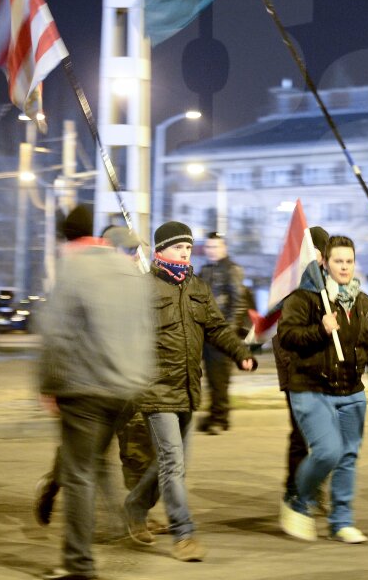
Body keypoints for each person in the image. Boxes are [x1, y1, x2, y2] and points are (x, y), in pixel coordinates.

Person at [124, 221, 257, 563]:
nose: (185, 252)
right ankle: (184, 534)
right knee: (172, 463)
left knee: (175, 465)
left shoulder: (196, 287)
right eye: (177, 247)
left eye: (187, 247)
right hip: (156, 390)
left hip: (187, 388)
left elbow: (217, 327)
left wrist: (241, 354)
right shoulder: (144, 288)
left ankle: (136, 506)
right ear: (161, 252)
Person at [37, 205, 155, 580]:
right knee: (92, 466)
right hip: (125, 389)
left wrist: (49, 385)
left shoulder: (75, 267)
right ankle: (109, 532)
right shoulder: (128, 269)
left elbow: (56, 333)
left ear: (69, 238)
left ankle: (79, 564)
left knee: (80, 475)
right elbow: (145, 329)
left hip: (83, 388)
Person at [278, 234, 368, 544]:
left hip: (351, 391)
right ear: (325, 263)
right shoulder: (305, 298)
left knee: (347, 456)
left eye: (349, 261)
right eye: (338, 262)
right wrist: (321, 329)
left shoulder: (362, 301)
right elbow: (288, 337)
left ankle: (341, 520)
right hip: (311, 388)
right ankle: (299, 502)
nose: (344, 267)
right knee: (328, 452)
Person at [275, 225, 329, 505]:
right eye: (309, 252)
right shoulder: (293, 287)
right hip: (295, 367)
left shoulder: (333, 286)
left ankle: (314, 484)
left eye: (317, 252)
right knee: (301, 432)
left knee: (325, 435)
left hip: (325, 370)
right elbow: (287, 333)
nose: (313, 258)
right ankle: (294, 488)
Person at [197, 231, 250, 435]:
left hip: (222, 335)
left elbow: (237, 303)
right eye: (209, 247)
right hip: (207, 334)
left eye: (215, 247)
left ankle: (219, 418)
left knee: (219, 379)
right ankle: (218, 416)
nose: (211, 251)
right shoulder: (205, 270)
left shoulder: (231, 270)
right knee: (212, 378)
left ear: (224, 248)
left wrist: (227, 333)